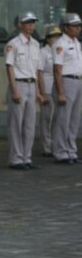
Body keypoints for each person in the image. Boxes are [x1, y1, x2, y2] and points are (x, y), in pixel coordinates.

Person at [5, 12, 43, 170]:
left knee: (29, 124)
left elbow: (36, 70)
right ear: (20, 25)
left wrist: (38, 91)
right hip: (19, 84)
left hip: (31, 85)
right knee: (16, 124)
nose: (31, 25)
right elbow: (9, 67)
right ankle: (16, 159)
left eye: (33, 22)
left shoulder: (36, 44)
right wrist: (14, 90)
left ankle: (27, 158)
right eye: (28, 23)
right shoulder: (13, 44)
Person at [51, 13, 82, 164]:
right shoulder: (60, 44)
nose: (78, 28)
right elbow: (57, 70)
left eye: (79, 25)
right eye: (74, 26)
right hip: (66, 81)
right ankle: (60, 152)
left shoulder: (77, 43)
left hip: (78, 81)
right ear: (65, 27)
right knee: (63, 119)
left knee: (74, 119)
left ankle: (71, 150)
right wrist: (61, 92)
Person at [39, 25, 62, 157]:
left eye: (59, 36)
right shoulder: (43, 52)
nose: (57, 39)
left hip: (58, 88)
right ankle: (46, 146)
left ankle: (56, 145)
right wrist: (42, 92)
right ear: (48, 39)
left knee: (58, 118)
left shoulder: (60, 51)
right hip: (47, 88)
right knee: (47, 118)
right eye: (54, 37)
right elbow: (39, 72)